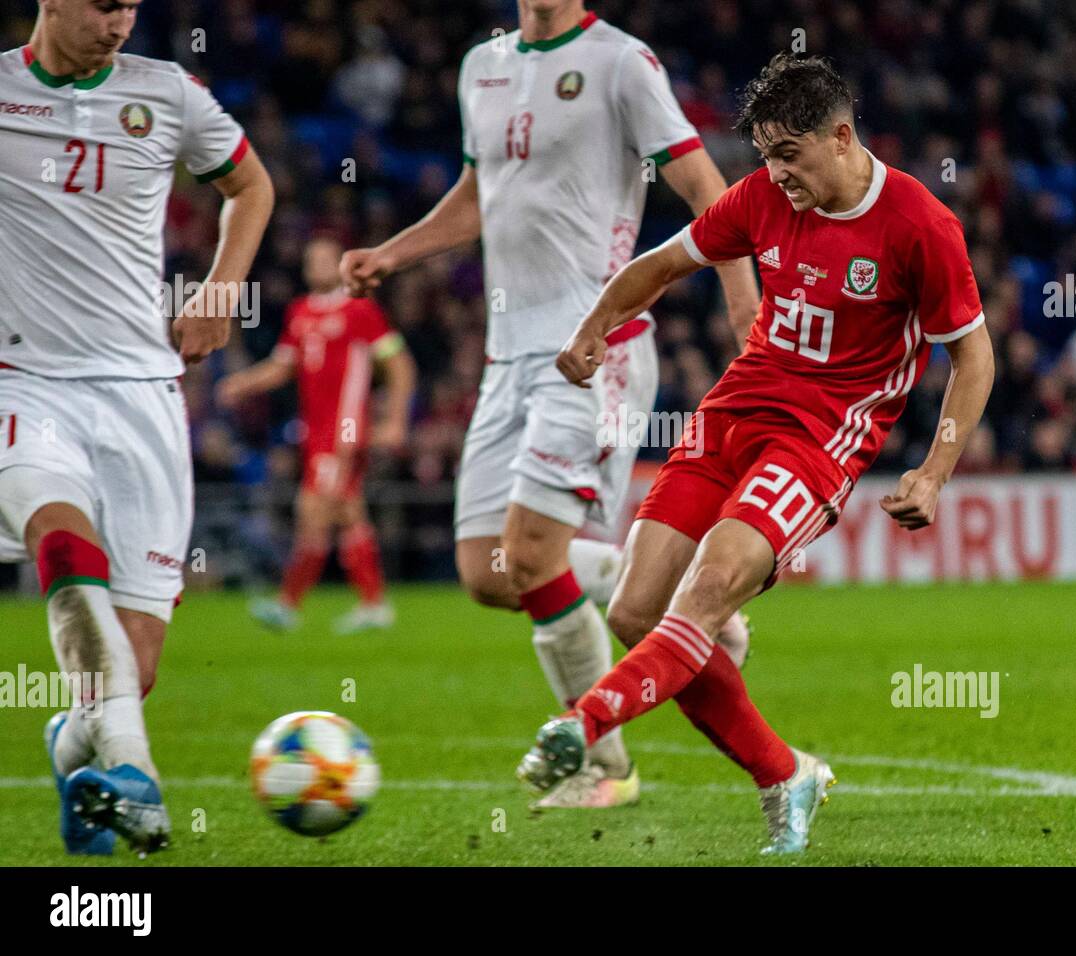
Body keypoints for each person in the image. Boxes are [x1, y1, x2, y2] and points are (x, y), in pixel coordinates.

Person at [518, 53, 997, 854]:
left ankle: (584, 720)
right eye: (767, 157)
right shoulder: (762, 198)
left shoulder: (919, 225)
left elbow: (973, 357)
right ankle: (785, 773)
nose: (776, 175)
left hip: (817, 441)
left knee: (704, 593)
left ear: (840, 137)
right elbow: (662, 265)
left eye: (789, 155)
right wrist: (592, 328)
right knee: (635, 612)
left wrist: (934, 471)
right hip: (731, 414)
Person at [339, 0, 760, 808]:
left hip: (593, 345)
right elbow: (477, 194)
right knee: (487, 571)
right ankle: (679, 595)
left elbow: (705, 183)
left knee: (531, 556)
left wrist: (742, 296)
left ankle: (604, 769)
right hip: (507, 355)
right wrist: (393, 255)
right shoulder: (480, 66)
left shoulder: (621, 62)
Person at [0, 0, 273, 854]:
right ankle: (135, 773)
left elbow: (250, 186)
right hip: (25, 387)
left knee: (131, 669)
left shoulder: (171, 95)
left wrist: (221, 291)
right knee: (60, 541)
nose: (119, 23)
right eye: (101, 4)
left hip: (142, 398)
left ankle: (79, 744)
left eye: (130, 6)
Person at [217, 237, 416, 634]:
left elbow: (399, 365)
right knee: (346, 510)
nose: (317, 265)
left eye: (325, 258)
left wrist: (395, 421)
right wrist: (245, 383)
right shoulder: (300, 312)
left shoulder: (360, 311)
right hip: (315, 431)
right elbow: (282, 367)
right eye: (311, 259)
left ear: (340, 265)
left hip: (344, 429)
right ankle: (373, 603)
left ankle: (289, 603)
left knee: (313, 510)